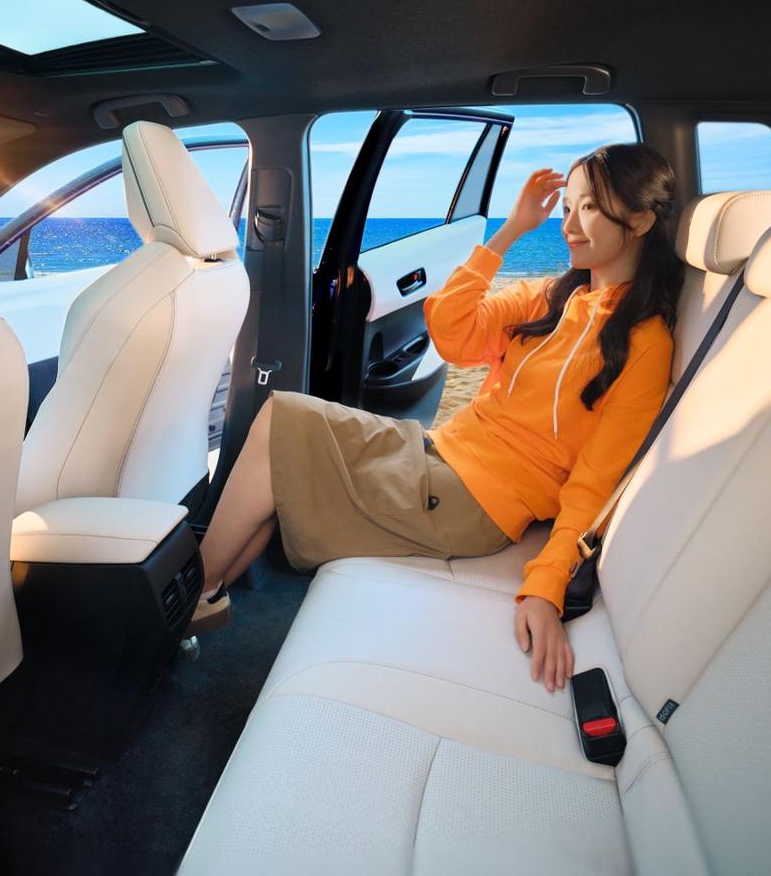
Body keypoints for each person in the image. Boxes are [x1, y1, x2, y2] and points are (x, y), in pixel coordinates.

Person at [193, 142, 681, 691]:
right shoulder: (553, 296)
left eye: (588, 207)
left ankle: (195, 596)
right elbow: (451, 331)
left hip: (473, 502)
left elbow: (596, 482)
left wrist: (545, 588)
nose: (568, 225)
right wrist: (510, 231)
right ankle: (205, 595)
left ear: (640, 219)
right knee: (280, 424)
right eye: (566, 207)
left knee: (280, 432)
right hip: (439, 452)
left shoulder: (645, 342)